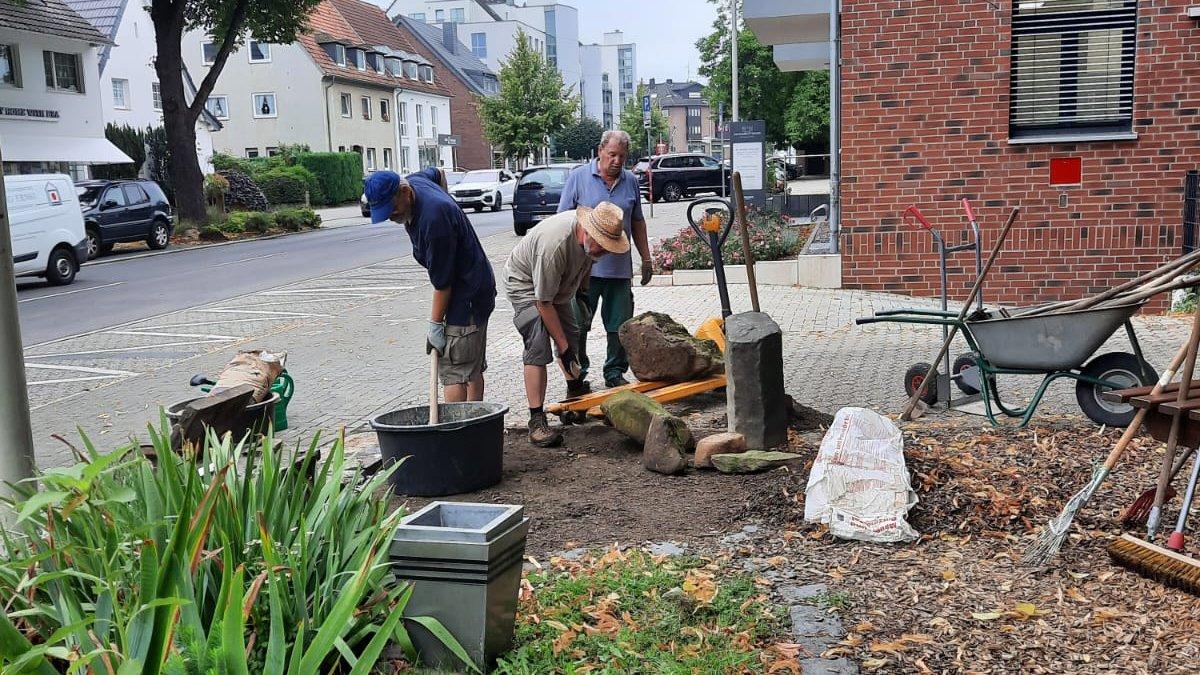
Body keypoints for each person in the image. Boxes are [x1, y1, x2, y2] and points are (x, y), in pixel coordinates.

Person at [365, 167, 496, 402]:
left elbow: (443, 284)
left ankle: (457, 433)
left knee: (454, 371)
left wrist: (435, 324)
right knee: (472, 366)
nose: (390, 216)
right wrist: (449, 203)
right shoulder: (416, 181)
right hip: (478, 285)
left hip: (465, 296)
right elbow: (438, 172)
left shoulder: (435, 219)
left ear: (405, 192)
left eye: (392, 209)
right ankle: (476, 427)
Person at [505, 202, 628, 447]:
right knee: (538, 343)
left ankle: (574, 391)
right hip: (527, 286)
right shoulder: (554, 245)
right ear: (587, 233)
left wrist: (582, 293)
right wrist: (563, 347)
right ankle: (536, 420)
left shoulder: (591, 242)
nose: (605, 252)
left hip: (558, 288)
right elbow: (543, 303)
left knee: (572, 333)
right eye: (603, 246)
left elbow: (586, 263)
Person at [557, 130, 653, 389]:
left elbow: (638, 221)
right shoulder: (579, 178)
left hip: (619, 269)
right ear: (600, 151)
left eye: (622, 156)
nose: (617, 160)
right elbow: (563, 221)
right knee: (578, 326)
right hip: (582, 270)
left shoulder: (630, 181)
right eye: (612, 154)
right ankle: (578, 374)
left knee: (619, 325)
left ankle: (614, 372)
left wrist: (646, 258)